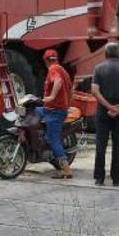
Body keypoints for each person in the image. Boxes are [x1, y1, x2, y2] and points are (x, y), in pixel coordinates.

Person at [91, 43, 119, 186]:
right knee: (118, 144)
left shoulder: (99, 69)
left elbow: (95, 91)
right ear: (118, 53)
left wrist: (108, 106)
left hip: (103, 110)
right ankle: (117, 179)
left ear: (105, 53)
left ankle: (99, 177)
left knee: (101, 144)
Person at [36, 49, 73, 178]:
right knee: (33, 111)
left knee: (53, 140)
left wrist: (52, 97)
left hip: (56, 112)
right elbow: (70, 89)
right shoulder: (62, 70)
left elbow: (58, 81)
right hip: (51, 109)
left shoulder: (54, 69)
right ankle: (39, 140)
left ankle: (66, 170)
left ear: (45, 61)